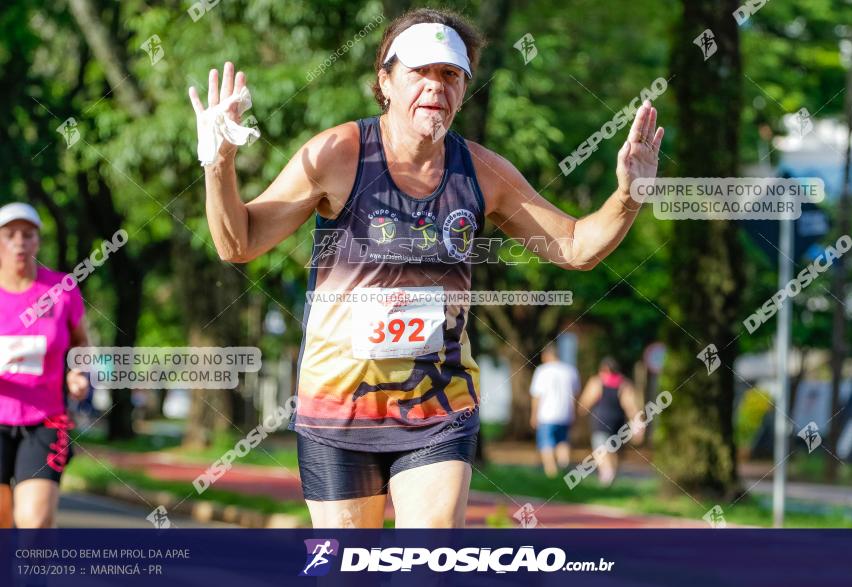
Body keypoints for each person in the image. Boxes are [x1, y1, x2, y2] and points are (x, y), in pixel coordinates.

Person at [189, 7, 663, 528]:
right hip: (338, 410)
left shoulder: (483, 172)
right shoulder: (338, 154)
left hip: (438, 407)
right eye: (420, 71)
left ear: (463, 89)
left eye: (450, 74)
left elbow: (575, 246)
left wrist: (628, 195)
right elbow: (239, 243)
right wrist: (219, 163)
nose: (436, 86)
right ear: (384, 81)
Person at [0, 202, 90, 528]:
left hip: (47, 420)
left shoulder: (62, 289)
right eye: (10, 235)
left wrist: (77, 373)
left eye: (28, 235)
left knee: (35, 521)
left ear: (38, 242)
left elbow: (81, 343)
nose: (19, 243)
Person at [578, 357, 643, 486]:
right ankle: (611, 475)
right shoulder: (624, 384)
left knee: (600, 449)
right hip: (618, 422)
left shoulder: (597, 382)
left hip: (600, 422)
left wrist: (581, 410)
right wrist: (637, 423)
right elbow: (630, 406)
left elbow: (585, 402)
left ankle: (607, 475)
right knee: (613, 450)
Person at [529, 343, 580, 477]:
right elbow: (575, 395)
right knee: (563, 442)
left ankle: (551, 473)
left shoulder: (542, 371)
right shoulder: (570, 370)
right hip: (565, 413)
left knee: (546, 444)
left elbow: (537, 395)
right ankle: (564, 469)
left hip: (546, 414)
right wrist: (574, 413)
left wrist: (534, 415)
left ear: (547, 356)